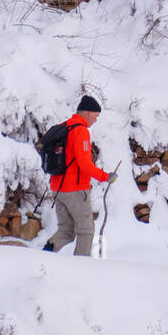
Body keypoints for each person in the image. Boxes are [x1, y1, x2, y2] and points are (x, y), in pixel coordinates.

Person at [43, 96, 117, 256]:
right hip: (75, 191)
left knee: (66, 231)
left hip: (57, 189)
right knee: (86, 231)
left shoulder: (65, 127)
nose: (96, 120)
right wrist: (106, 177)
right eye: (96, 116)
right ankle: (80, 269)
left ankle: (45, 254)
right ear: (89, 113)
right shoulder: (81, 131)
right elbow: (85, 164)